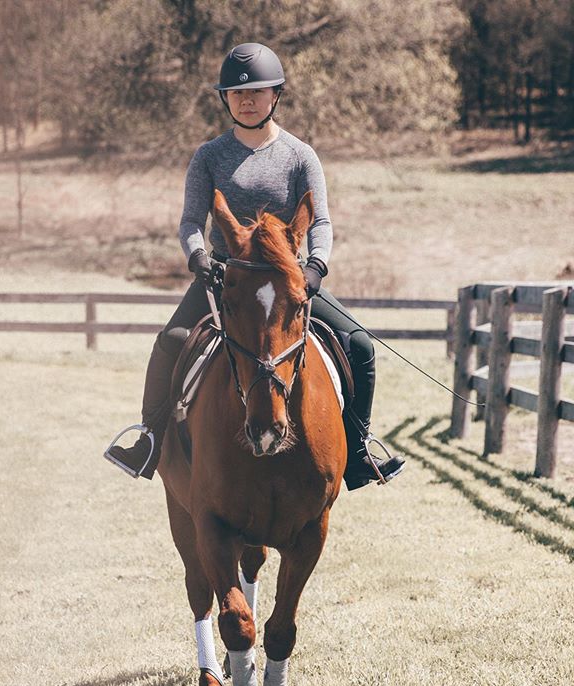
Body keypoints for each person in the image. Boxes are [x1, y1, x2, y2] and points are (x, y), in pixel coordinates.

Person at [105, 42, 405, 490]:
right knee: (170, 341)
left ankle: (359, 451)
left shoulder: (301, 156)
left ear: (275, 95)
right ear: (225, 98)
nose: (246, 100)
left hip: (289, 281)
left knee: (359, 345)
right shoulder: (208, 156)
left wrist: (317, 265)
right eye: (237, 93)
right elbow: (191, 220)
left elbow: (320, 219)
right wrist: (198, 256)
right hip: (225, 277)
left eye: (257, 92)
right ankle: (150, 439)